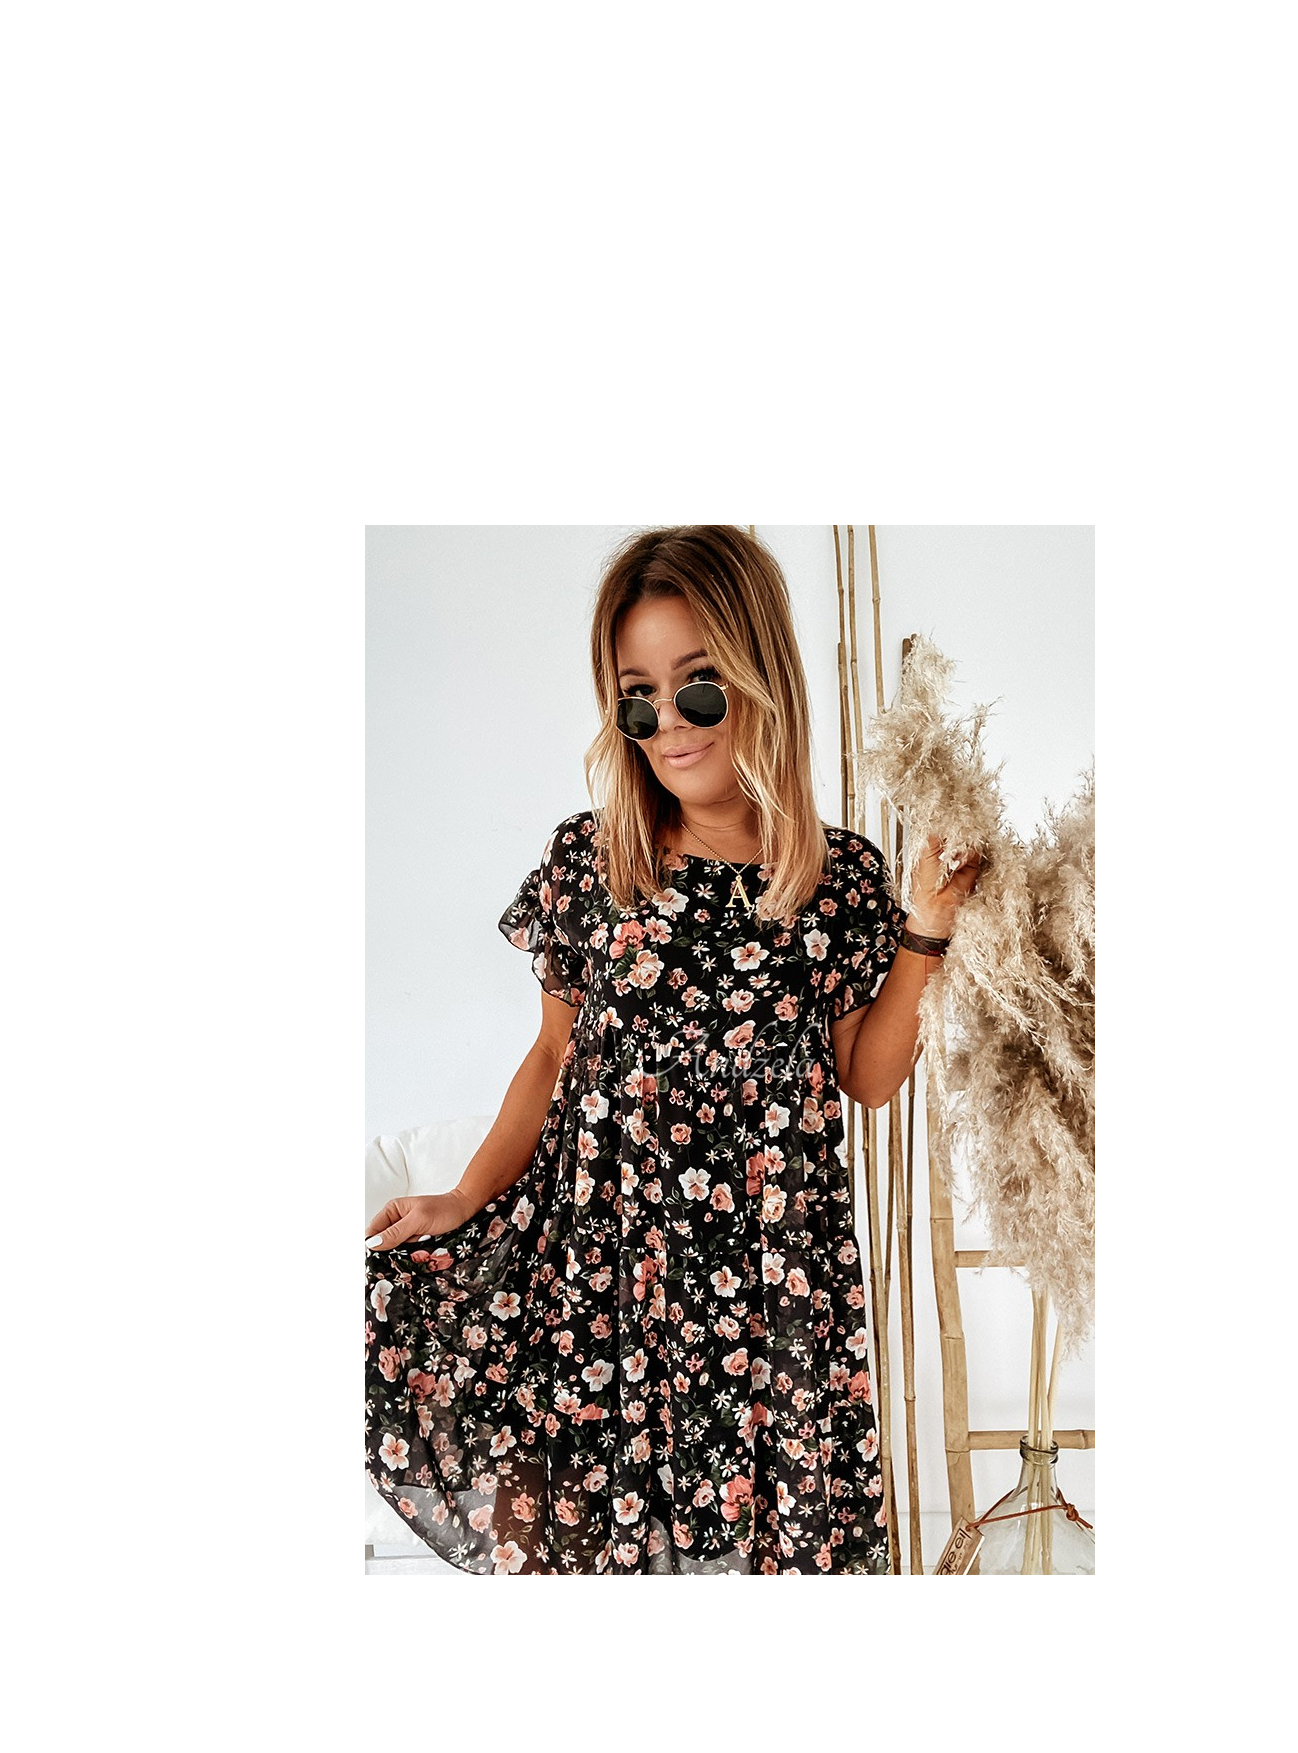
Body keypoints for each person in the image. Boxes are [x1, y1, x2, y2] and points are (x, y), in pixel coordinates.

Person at [364, 525, 980, 1574]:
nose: (669, 725)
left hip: (772, 1281)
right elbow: (551, 1057)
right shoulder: (593, 860)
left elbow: (868, 1078)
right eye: (637, 699)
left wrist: (923, 931)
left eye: (697, 686)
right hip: (606, 1271)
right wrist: (466, 1195)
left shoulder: (834, 880)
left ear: (758, 677)